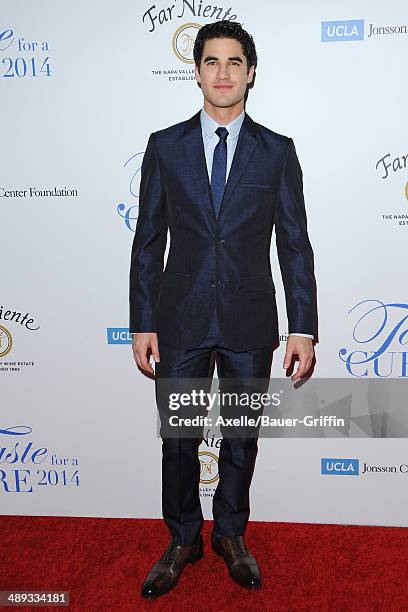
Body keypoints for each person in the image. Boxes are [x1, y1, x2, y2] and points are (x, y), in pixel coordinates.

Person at [129, 20, 318, 600]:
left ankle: (231, 535)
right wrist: (143, 321)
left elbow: (293, 243)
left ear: (250, 73)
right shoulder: (165, 146)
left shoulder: (278, 151)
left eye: (234, 62)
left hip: (249, 320)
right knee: (179, 436)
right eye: (212, 62)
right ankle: (182, 537)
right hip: (180, 316)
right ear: (197, 72)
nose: (223, 73)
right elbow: (147, 239)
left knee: (240, 436)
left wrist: (303, 327)